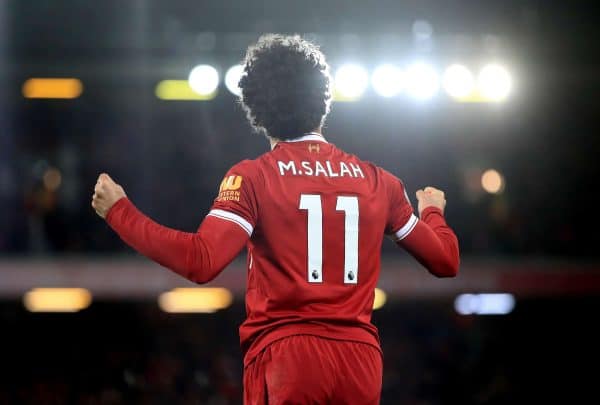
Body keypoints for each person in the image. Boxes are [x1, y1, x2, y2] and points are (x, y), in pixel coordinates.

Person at [91, 34, 459, 405]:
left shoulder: (255, 177)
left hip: (289, 358)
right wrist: (432, 212)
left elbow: (200, 262)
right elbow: (445, 261)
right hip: (360, 362)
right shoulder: (380, 182)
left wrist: (119, 212)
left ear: (255, 108)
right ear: (324, 102)